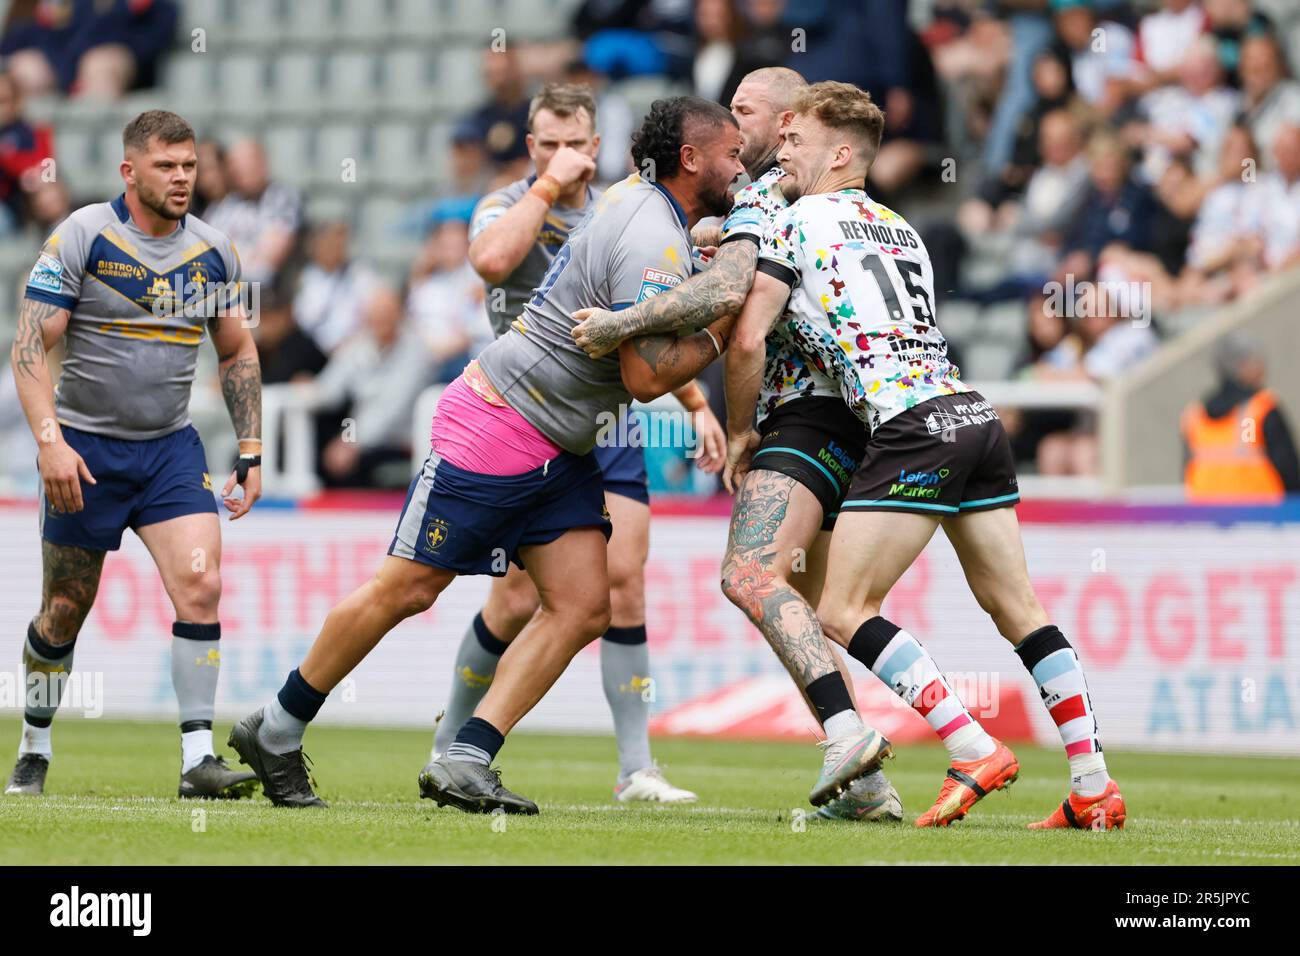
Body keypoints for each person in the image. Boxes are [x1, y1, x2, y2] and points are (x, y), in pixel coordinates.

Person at [227, 96, 744, 814]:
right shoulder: (646, 230)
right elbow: (643, 374)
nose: (743, 168)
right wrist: (724, 327)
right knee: (405, 590)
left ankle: (468, 754)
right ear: (691, 160)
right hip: (502, 421)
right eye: (734, 156)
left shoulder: (640, 206)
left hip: (562, 441)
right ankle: (277, 727)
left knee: (585, 604)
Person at [726, 80, 1126, 830]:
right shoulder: (904, 228)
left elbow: (750, 335)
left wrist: (744, 429)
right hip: (974, 413)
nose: (782, 149)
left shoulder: (794, 219)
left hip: (911, 424)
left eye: (796, 139)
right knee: (1020, 609)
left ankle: (971, 745)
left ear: (840, 152)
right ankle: (1093, 784)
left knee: (841, 610)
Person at [569, 68, 902, 820]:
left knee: (752, 577)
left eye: (744, 110)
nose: (734, 120)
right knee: (814, 613)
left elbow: (731, 307)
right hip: (862, 418)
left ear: (788, 123)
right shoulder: (839, 204)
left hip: (805, 419)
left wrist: (624, 324)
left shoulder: (764, 193)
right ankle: (871, 783)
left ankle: (859, 734)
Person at [430, 83, 718, 803]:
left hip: (611, 417)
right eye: (547, 143)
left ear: (597, 147)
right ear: (531, 147)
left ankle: (636, 768)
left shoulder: (626, 214)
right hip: (522, 414)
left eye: (574, 144)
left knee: (625, 583)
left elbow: (649, 314)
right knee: (514, 602)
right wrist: (546, 191)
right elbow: (492, 264)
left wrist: (694, 404)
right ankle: (453, 743)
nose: (562, 155)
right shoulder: (505, 205)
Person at [5, 110, 262, 799]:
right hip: (84, 451)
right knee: (63, 607)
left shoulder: (216, 251)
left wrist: (251, 447)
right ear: (130, 171)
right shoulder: (83, 237)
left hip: (170, 451)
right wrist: (51, 443)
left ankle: (196, 761)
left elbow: (236, 348)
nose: (182, 179)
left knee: (202, 584)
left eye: (189, 166)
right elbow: (29, 346)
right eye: (166, 167)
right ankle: (34, 742)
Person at [1182, 331, 1300, 501]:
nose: (1263, 368)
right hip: (1261, 518)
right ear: (1244, 366)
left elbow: (1187, 472)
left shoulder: (1195, 416)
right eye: (1257, 361)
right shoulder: (1255, 412)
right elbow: (1288, 469)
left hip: (1206, 519)